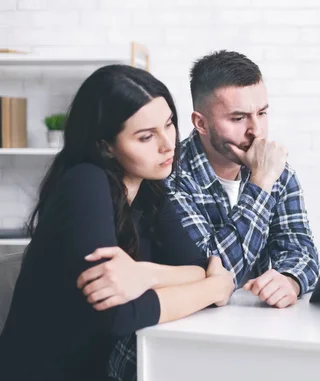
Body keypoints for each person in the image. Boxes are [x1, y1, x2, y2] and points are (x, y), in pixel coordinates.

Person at [0, 65, 235, 381]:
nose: (168, 144)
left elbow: (199, 267)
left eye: (168, 124)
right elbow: (116, 316)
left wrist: (143, 274)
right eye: (146, 136)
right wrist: (215, 287)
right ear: (105, 145)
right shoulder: (85, 183)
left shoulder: (151, 189)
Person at [165, 50, 319, 309]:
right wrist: (260, 183)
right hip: (186, 332)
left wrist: (290, 280)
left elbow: (301, 250)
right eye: (238, 118)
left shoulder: (278, 171)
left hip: (252, 328)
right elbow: (214, 275)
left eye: (262, 113)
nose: (256, 130)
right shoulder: (171, 176)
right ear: (201, 123)